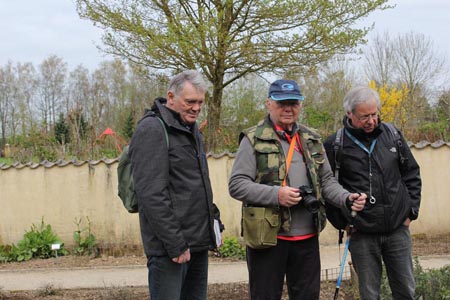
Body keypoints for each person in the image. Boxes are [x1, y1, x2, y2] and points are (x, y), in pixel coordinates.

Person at [228, 79, 366, 300]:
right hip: (268, 237)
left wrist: (346, 198)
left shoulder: (311, 139)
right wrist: (277, 195)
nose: (288, 108)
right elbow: (237, 185)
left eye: (293, 103)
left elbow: (327, 180)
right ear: (268, 104)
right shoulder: (253, 138)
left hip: (307, 236)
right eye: (282, 103)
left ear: (300, 105)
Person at [129, 70, 223, 300]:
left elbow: (192, 185)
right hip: (171, 250)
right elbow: (151, 194)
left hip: (197, 243)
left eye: (200, 102)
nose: (196, 108)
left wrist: (213, 223)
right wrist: (175, 244)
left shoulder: (191, 130)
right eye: (190, 101)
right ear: (171, 97)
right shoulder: (152, 129)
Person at [323, 86, 422, 300]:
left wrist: (411, 212)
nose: (371, 121)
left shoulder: (393, 134)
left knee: (405, 290)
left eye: (374, 114)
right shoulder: (335, 144)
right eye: (364, 116)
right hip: (362, 233)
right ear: (349, 114)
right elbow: (326, 187)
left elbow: (411, 174)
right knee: (369, 294)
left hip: (397, 229)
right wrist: (343, 222)